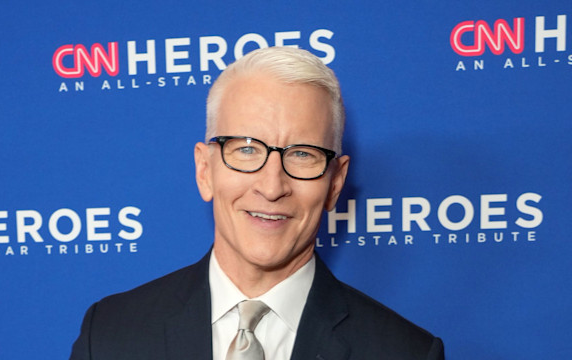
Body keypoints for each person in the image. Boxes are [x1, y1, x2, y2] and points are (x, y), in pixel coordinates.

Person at [69, 46, 444, 360]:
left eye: (303, 154)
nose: (272, 185)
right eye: (247, 149)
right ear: (204, 170)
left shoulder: (405, 352)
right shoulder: (109, 336)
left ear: (335, 184)